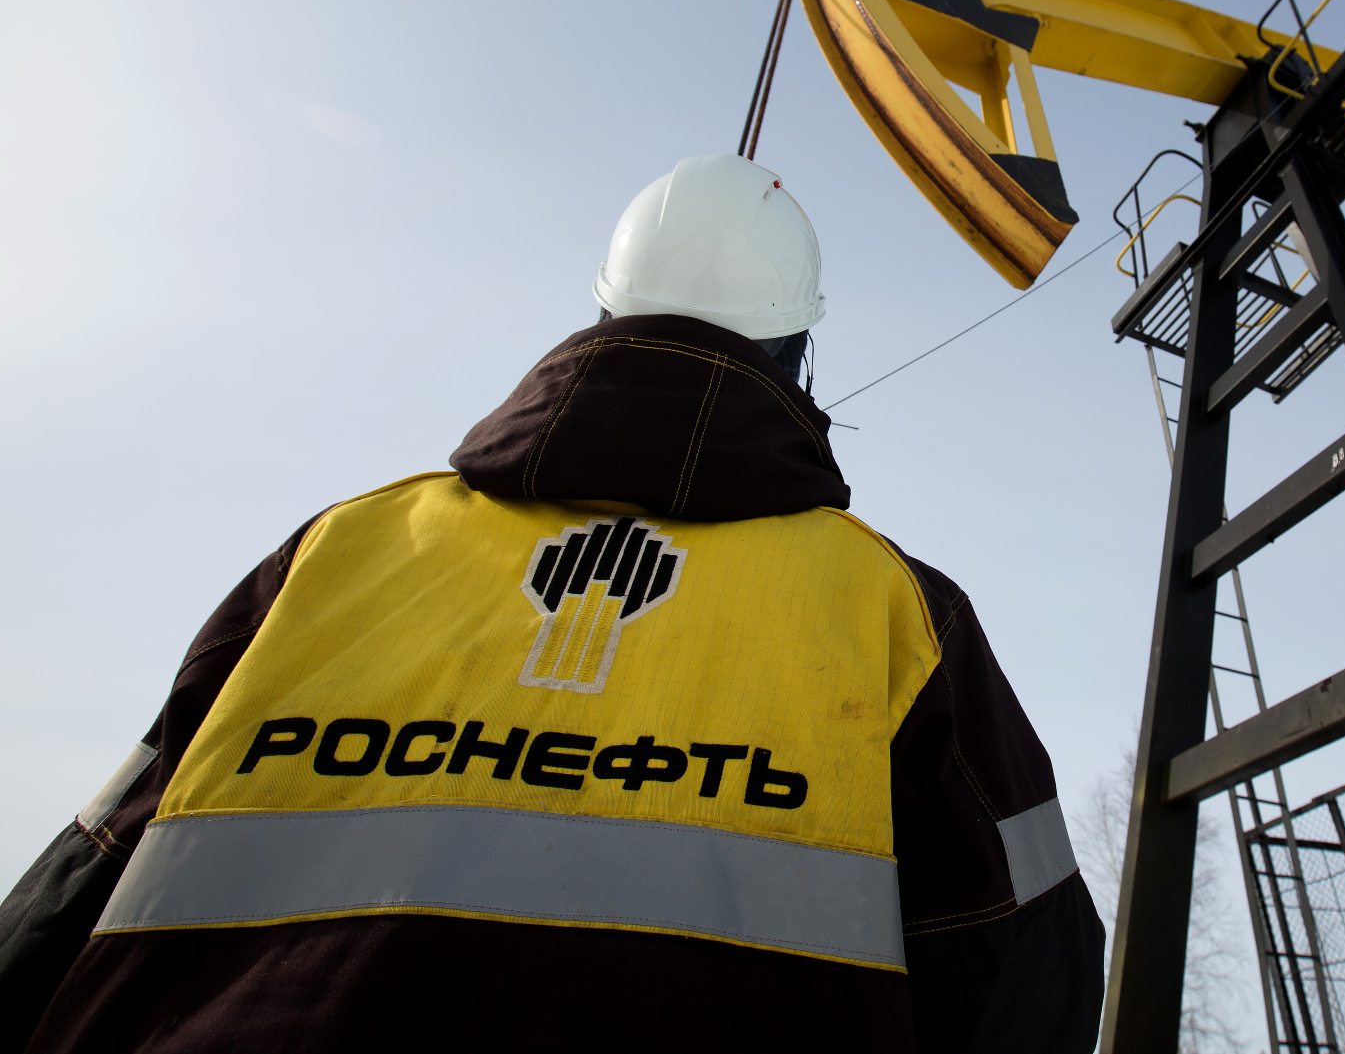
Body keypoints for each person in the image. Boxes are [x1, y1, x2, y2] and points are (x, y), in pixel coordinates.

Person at [0, 153, 1104, 1053]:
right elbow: (1022, 966)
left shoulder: (340, 551)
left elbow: (89, 867)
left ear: (602, 312)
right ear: (797, 346)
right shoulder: (890, 610)